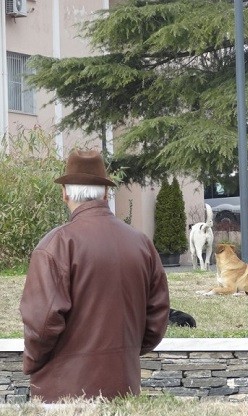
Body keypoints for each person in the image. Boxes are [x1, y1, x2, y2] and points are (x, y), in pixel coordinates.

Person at [19, 149, 170, 403]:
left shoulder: (55, 246)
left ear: (64, 193)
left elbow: (42, 326)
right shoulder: (141, 244)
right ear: (106, 193)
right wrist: (124, 354)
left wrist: (32, 364)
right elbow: (156, 319)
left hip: (63, 395)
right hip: (124, 391)